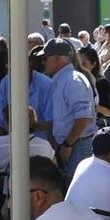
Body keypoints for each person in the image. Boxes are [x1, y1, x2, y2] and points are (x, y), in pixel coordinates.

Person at [42, 37, 96, 170]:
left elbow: (84, 117)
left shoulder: (73, 80)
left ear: (57, 58)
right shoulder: (64, 79)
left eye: (45, 58)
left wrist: (68, 144)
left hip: (77, 147)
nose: (43, 62)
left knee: (74, 182)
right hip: (71, 146)